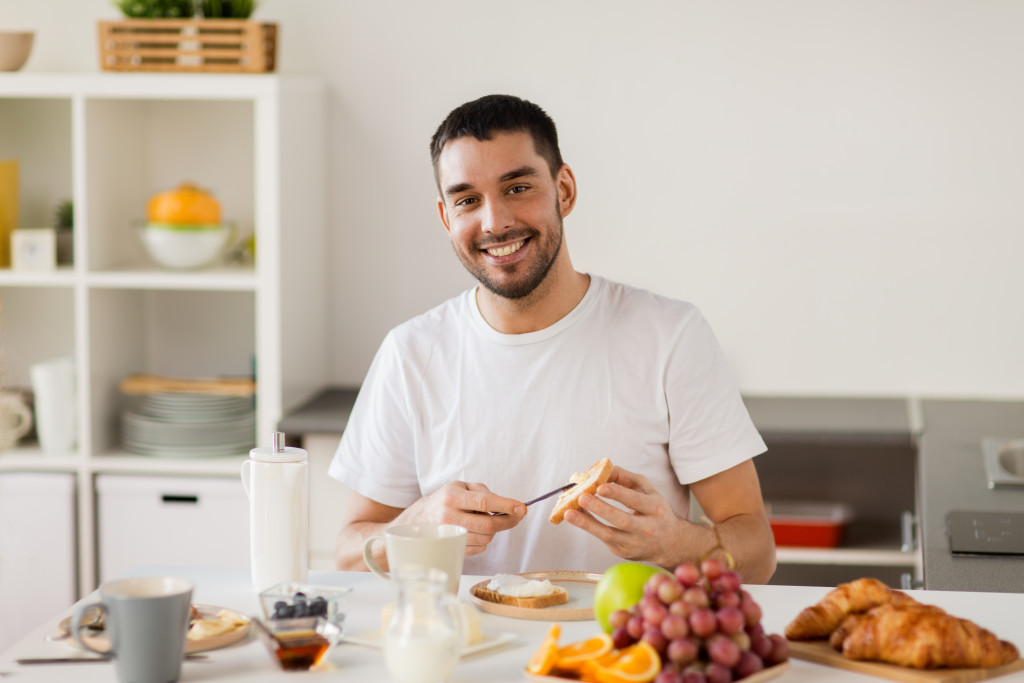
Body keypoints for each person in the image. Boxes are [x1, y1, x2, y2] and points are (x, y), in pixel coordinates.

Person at [330, 94, 776, 582]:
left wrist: (674, 542)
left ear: (564, 189)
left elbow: (757, 552)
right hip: (466, 650)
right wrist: (412, 527)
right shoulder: (410, 353)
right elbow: (350, 552)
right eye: (467, 200)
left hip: (622, 651)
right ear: (446, 218)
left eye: (518, 187)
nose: (495, 222)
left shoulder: (670, 336)